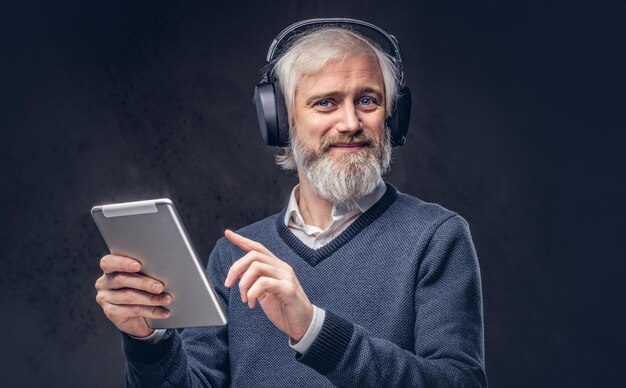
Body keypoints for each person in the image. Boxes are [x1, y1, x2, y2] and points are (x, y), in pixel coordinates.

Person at [95, 19, 487, 387]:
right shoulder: (234, 258)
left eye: (367, 100)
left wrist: (314, 329)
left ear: (393, 116)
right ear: (281, 120)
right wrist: (148, 340)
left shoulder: (437, 237)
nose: (350, 122)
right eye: (325, 103)